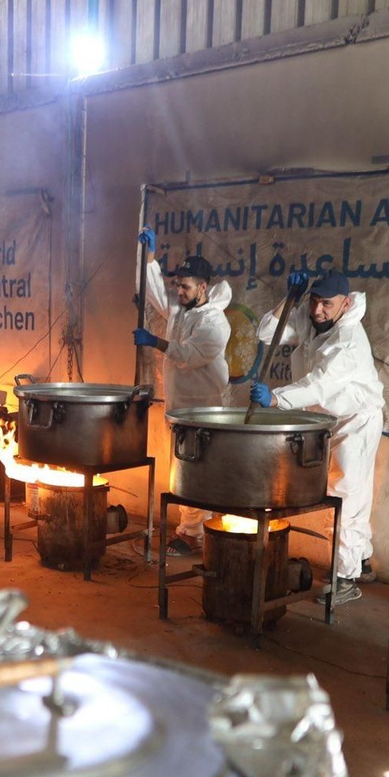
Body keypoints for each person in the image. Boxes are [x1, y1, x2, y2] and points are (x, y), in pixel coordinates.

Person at [249, 268, 384, 608]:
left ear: (346, 303)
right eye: (314, 301)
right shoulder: (312, 318)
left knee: (346, 497)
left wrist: (277, 399)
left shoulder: (348, 341)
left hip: (356, 421)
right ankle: (361, 560)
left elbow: (319, 385)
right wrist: (289, 297)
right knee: (347, 493)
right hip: (328, 419)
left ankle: (345, 578)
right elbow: (266, 332)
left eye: (326, 304)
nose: (317, 311)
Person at [133, 228, 232, 556]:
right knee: (185, 468)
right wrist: (149, 259)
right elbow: (155, 292)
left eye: (185, 286)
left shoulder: (215, 322)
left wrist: (155, 341)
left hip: (205, 409)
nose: (178, 291)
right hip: (180, 407)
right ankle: (195, 531)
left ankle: (196, 533)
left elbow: (189, 356)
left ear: (203, 287)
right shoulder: (180, 309)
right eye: (177, 284)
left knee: (198, 470)